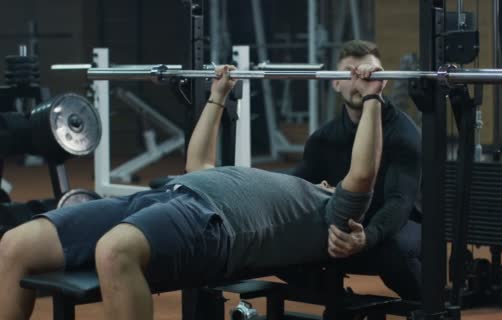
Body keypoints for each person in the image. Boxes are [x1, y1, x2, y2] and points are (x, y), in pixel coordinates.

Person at [0, 64, 385, 320]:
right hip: (168, 195)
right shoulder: (286, 183)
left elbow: (363, 172)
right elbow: (198, 162)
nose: (326, 180)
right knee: (15, 244)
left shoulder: (330, 212)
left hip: (214, 223)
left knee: (114, 250)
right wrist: (219, 94)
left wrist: (371, 98)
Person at [291, 40, 422, 299]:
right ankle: (341, 302)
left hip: (400, 225)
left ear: (381, 80)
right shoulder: (322, 138)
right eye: (350, 74)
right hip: (345, 229)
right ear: (335, 82)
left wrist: (368, 237)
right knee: (288, 245)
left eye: (368, 74)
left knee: (393, 250)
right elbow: (296, 190)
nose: (359, 82)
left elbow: (400, 203)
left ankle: (427, 307)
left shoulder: (404, 134)